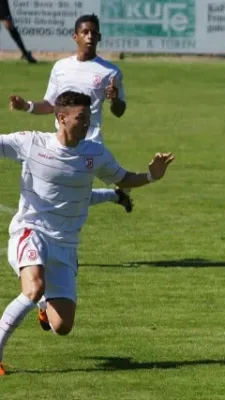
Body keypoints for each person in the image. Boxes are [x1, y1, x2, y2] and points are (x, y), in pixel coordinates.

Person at [0, 91, 175, 376]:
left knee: (62, 326)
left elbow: (123, 178)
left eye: (88, 118)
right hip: (30, 232)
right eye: (81, 118)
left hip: (66, 245)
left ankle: (44, 305)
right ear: (61, 118)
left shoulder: (94, 153)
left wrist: (151, 175)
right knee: (33, 288)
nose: (86, 124)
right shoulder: (32, 142)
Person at [7, 13, 129, 211]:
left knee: (68, 195)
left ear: (99, 37)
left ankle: (116, 194)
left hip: (90, 142)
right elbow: (51, 104)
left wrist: (114, 99)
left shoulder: (110, 72)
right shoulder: (61, 67)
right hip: (62, 141)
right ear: (75, 36)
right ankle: (115, 195)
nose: (90, 36)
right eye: (85, 32)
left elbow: (120, 111)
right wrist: (26, 105)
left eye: (94, 33)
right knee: (68, 194)